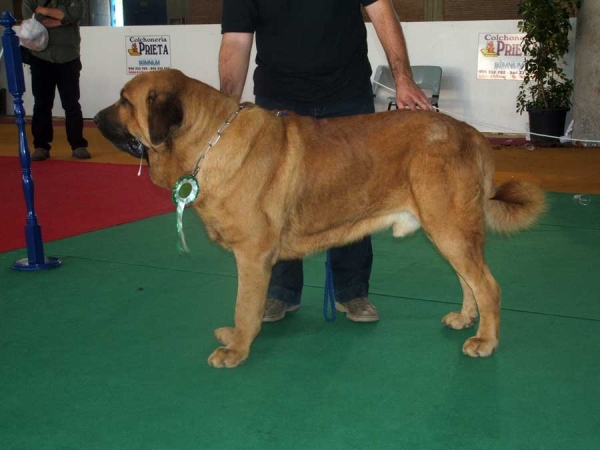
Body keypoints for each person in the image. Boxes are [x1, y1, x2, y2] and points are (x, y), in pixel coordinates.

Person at [219, 0, 432, 323]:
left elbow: (381, 11)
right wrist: (226, 109)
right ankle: (280, 292)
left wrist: (403, 78)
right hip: (279, 99)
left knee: (355, 193)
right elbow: (236, 41)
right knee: (276, 200)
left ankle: (353, 291)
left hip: (346, 94)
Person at [23, 0, 90, 161]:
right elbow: (31, 20)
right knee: (41, 104)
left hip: (69, 57)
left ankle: (78, 145)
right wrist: (62, 19)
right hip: (40, 57)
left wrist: (43, 10)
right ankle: (41, 146)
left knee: (72, 104)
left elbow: (76, 14)